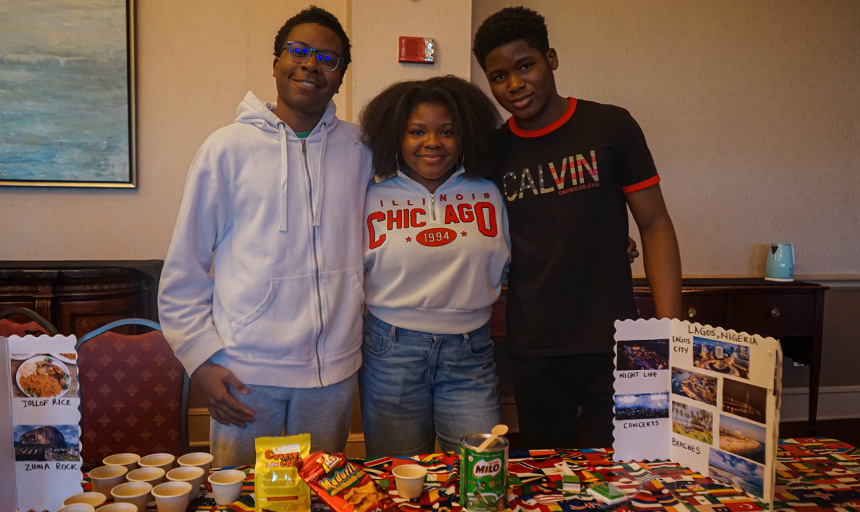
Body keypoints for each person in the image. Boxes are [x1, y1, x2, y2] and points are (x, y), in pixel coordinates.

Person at [157, 6, 372, 466]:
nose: (311, 64)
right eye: (298, 51)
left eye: (328, 58)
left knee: (319, 491)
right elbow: (184, 265)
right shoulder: (226, 149)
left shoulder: (360, 151)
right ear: (276, 63)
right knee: (241, 494)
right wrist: (200, 362)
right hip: (245, 373)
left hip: (332, 373)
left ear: (340, 76)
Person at [472, 6, 683, 449]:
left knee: (635, 462)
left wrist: (670, 330)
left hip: (617, 339)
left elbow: (656, 225)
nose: (514, 85)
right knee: (548, 473)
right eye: (498, 76)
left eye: (524, 65)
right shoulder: (492, 152)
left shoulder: (610, 125)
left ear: (551, 57)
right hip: (534, 346)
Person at [358, 75, 509, 456]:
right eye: (416, 132)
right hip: (390, 352)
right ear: (396, 136)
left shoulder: (489, 192)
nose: (431, 143)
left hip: (470, 354)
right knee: (399, 478)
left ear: (465, 136)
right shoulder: (372, 195)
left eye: (446, 132)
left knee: (482, 472)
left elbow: (515, 259)